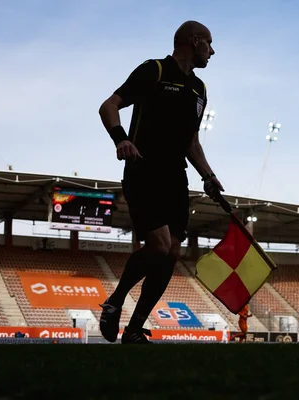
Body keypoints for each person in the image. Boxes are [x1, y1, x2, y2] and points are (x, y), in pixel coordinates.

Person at [97, 20, 225, 344]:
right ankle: (115, 302)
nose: (213, 50)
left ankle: (134, 328)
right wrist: (121, 139)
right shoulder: (153, 71)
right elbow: (108, 106)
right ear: (194, 41)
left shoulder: (200, 90)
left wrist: (208, 176)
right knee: (158, 245)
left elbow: (191, 142)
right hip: (143, 169)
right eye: (209, 43)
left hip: (175, 177)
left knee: (171, 255)